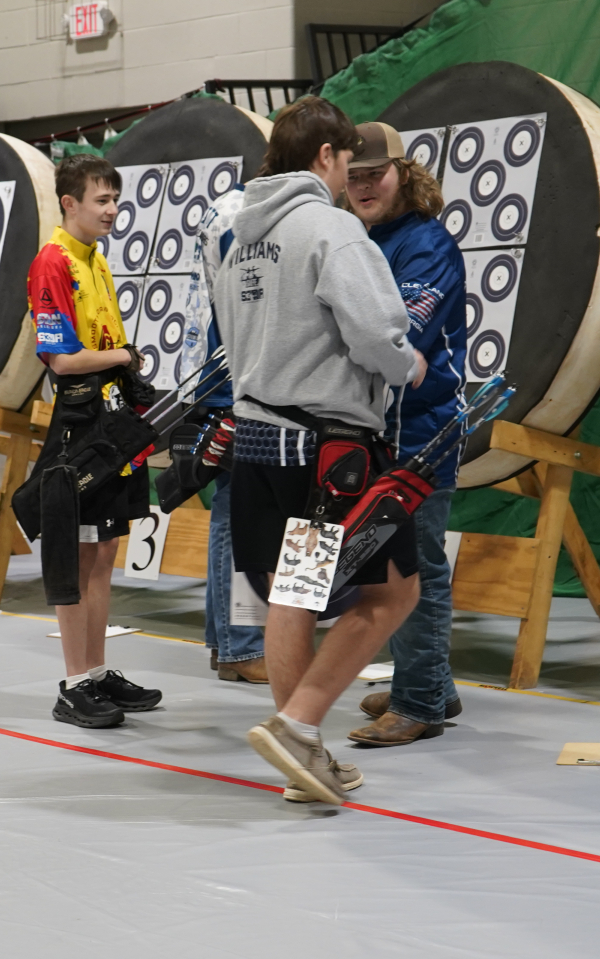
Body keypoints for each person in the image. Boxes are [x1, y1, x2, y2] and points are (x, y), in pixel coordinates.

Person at [214, 97, 427, 803]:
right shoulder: (329, 227)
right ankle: (299, 723)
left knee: (294, 592)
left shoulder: (240, 240)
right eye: (345, 163)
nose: (348, 180)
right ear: (326, 156)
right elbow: (375, 333)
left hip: (258, 444)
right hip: (323, 455)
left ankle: (302, 758)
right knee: (395, 591)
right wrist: (407, 364)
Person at [342, 122, 470, 747]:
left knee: (415, 567)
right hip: (379, 430)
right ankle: (431, 685)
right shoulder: (361, 240)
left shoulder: (426, 243)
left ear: (404, 173)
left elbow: (397, 338)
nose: (365, 186)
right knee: (390, 563)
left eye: (377, 174)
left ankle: (419, 703)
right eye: (354, 177)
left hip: (421, 430)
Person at [25, 154, 163, 729]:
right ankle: (74, 683)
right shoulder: (53, 261)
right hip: (81, 423)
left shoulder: (95, 258)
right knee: (79, 554)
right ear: (70, 203)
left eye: (114, 199)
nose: (112, 210)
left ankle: (97, 671)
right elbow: (61, 359)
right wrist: (125, 357)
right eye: (101, 200)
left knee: (104, 551)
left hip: (112, 418)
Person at [182, 184, 268, 686]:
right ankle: (241, 646)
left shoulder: (236, 206)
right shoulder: (245, 213)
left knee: (234, 511)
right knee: (240, 513)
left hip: (227, 379)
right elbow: (248, 306)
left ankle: (227, 643)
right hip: (238, 382)